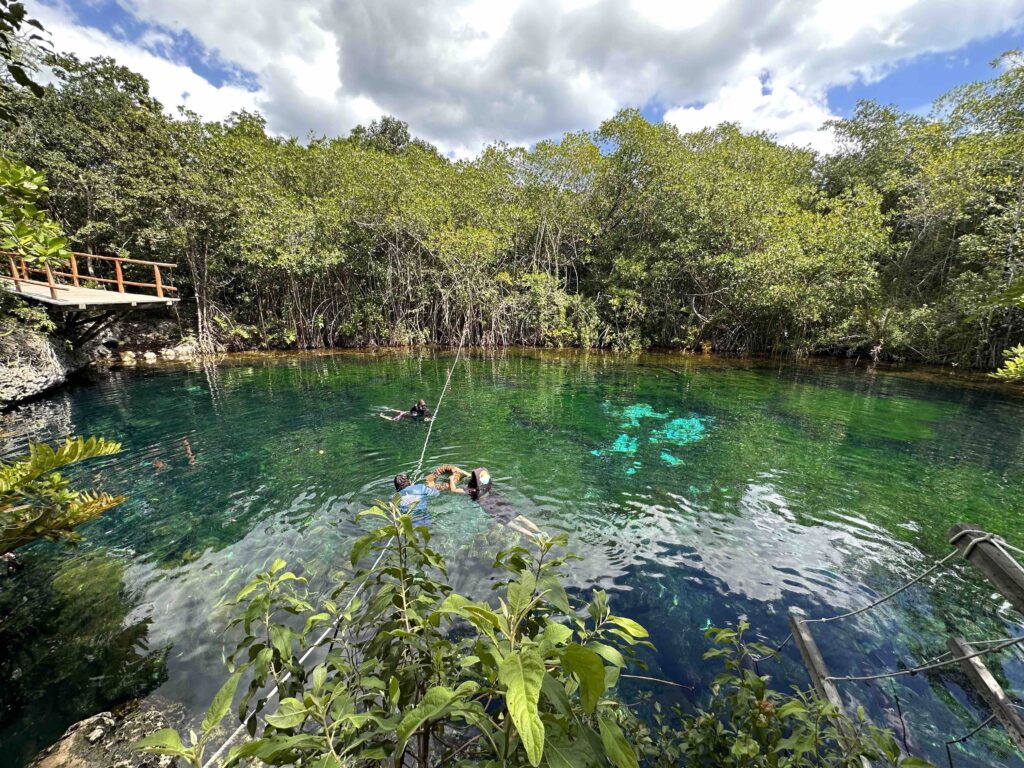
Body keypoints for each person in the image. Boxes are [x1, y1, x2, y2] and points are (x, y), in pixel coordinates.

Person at [440, 465, 543, 538]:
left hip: (489, 506)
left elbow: (454, 490)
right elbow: (475, 477)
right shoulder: (487, 483)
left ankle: (534, 537)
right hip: (497, 499)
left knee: (511, 524)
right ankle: (541, 533)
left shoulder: (472, 490)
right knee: (520, 518)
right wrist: (462, 472)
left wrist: (451, 479)